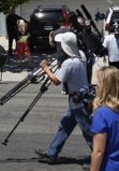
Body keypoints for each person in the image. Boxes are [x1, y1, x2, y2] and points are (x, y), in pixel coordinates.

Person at [35, 32, 94, 162]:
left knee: (87, 130)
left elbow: (56, 80)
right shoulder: (81, 56)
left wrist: (46, 68)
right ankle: (52, 153)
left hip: (78, 101)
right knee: (65, 126)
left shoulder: (69, 63)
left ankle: (101, 157)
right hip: (80, 98)